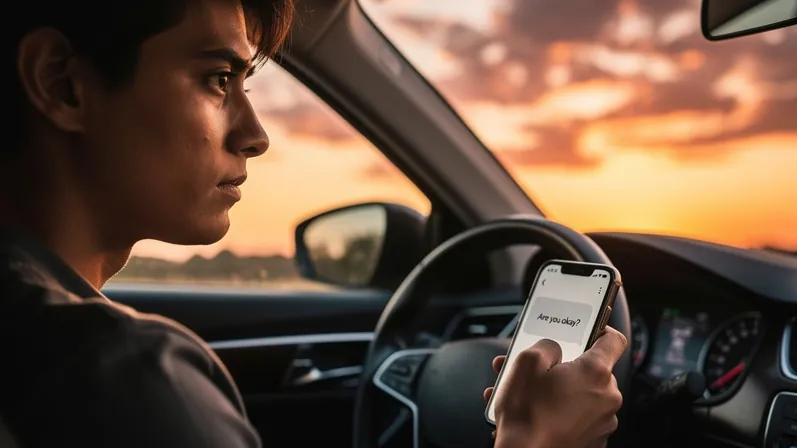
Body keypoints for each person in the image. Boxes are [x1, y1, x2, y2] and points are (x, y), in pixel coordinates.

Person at [0, 0, 627, 447]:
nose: (255, 135)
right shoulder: (125, 381)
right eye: (218, 79)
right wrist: (536, 442)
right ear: (62, 83)